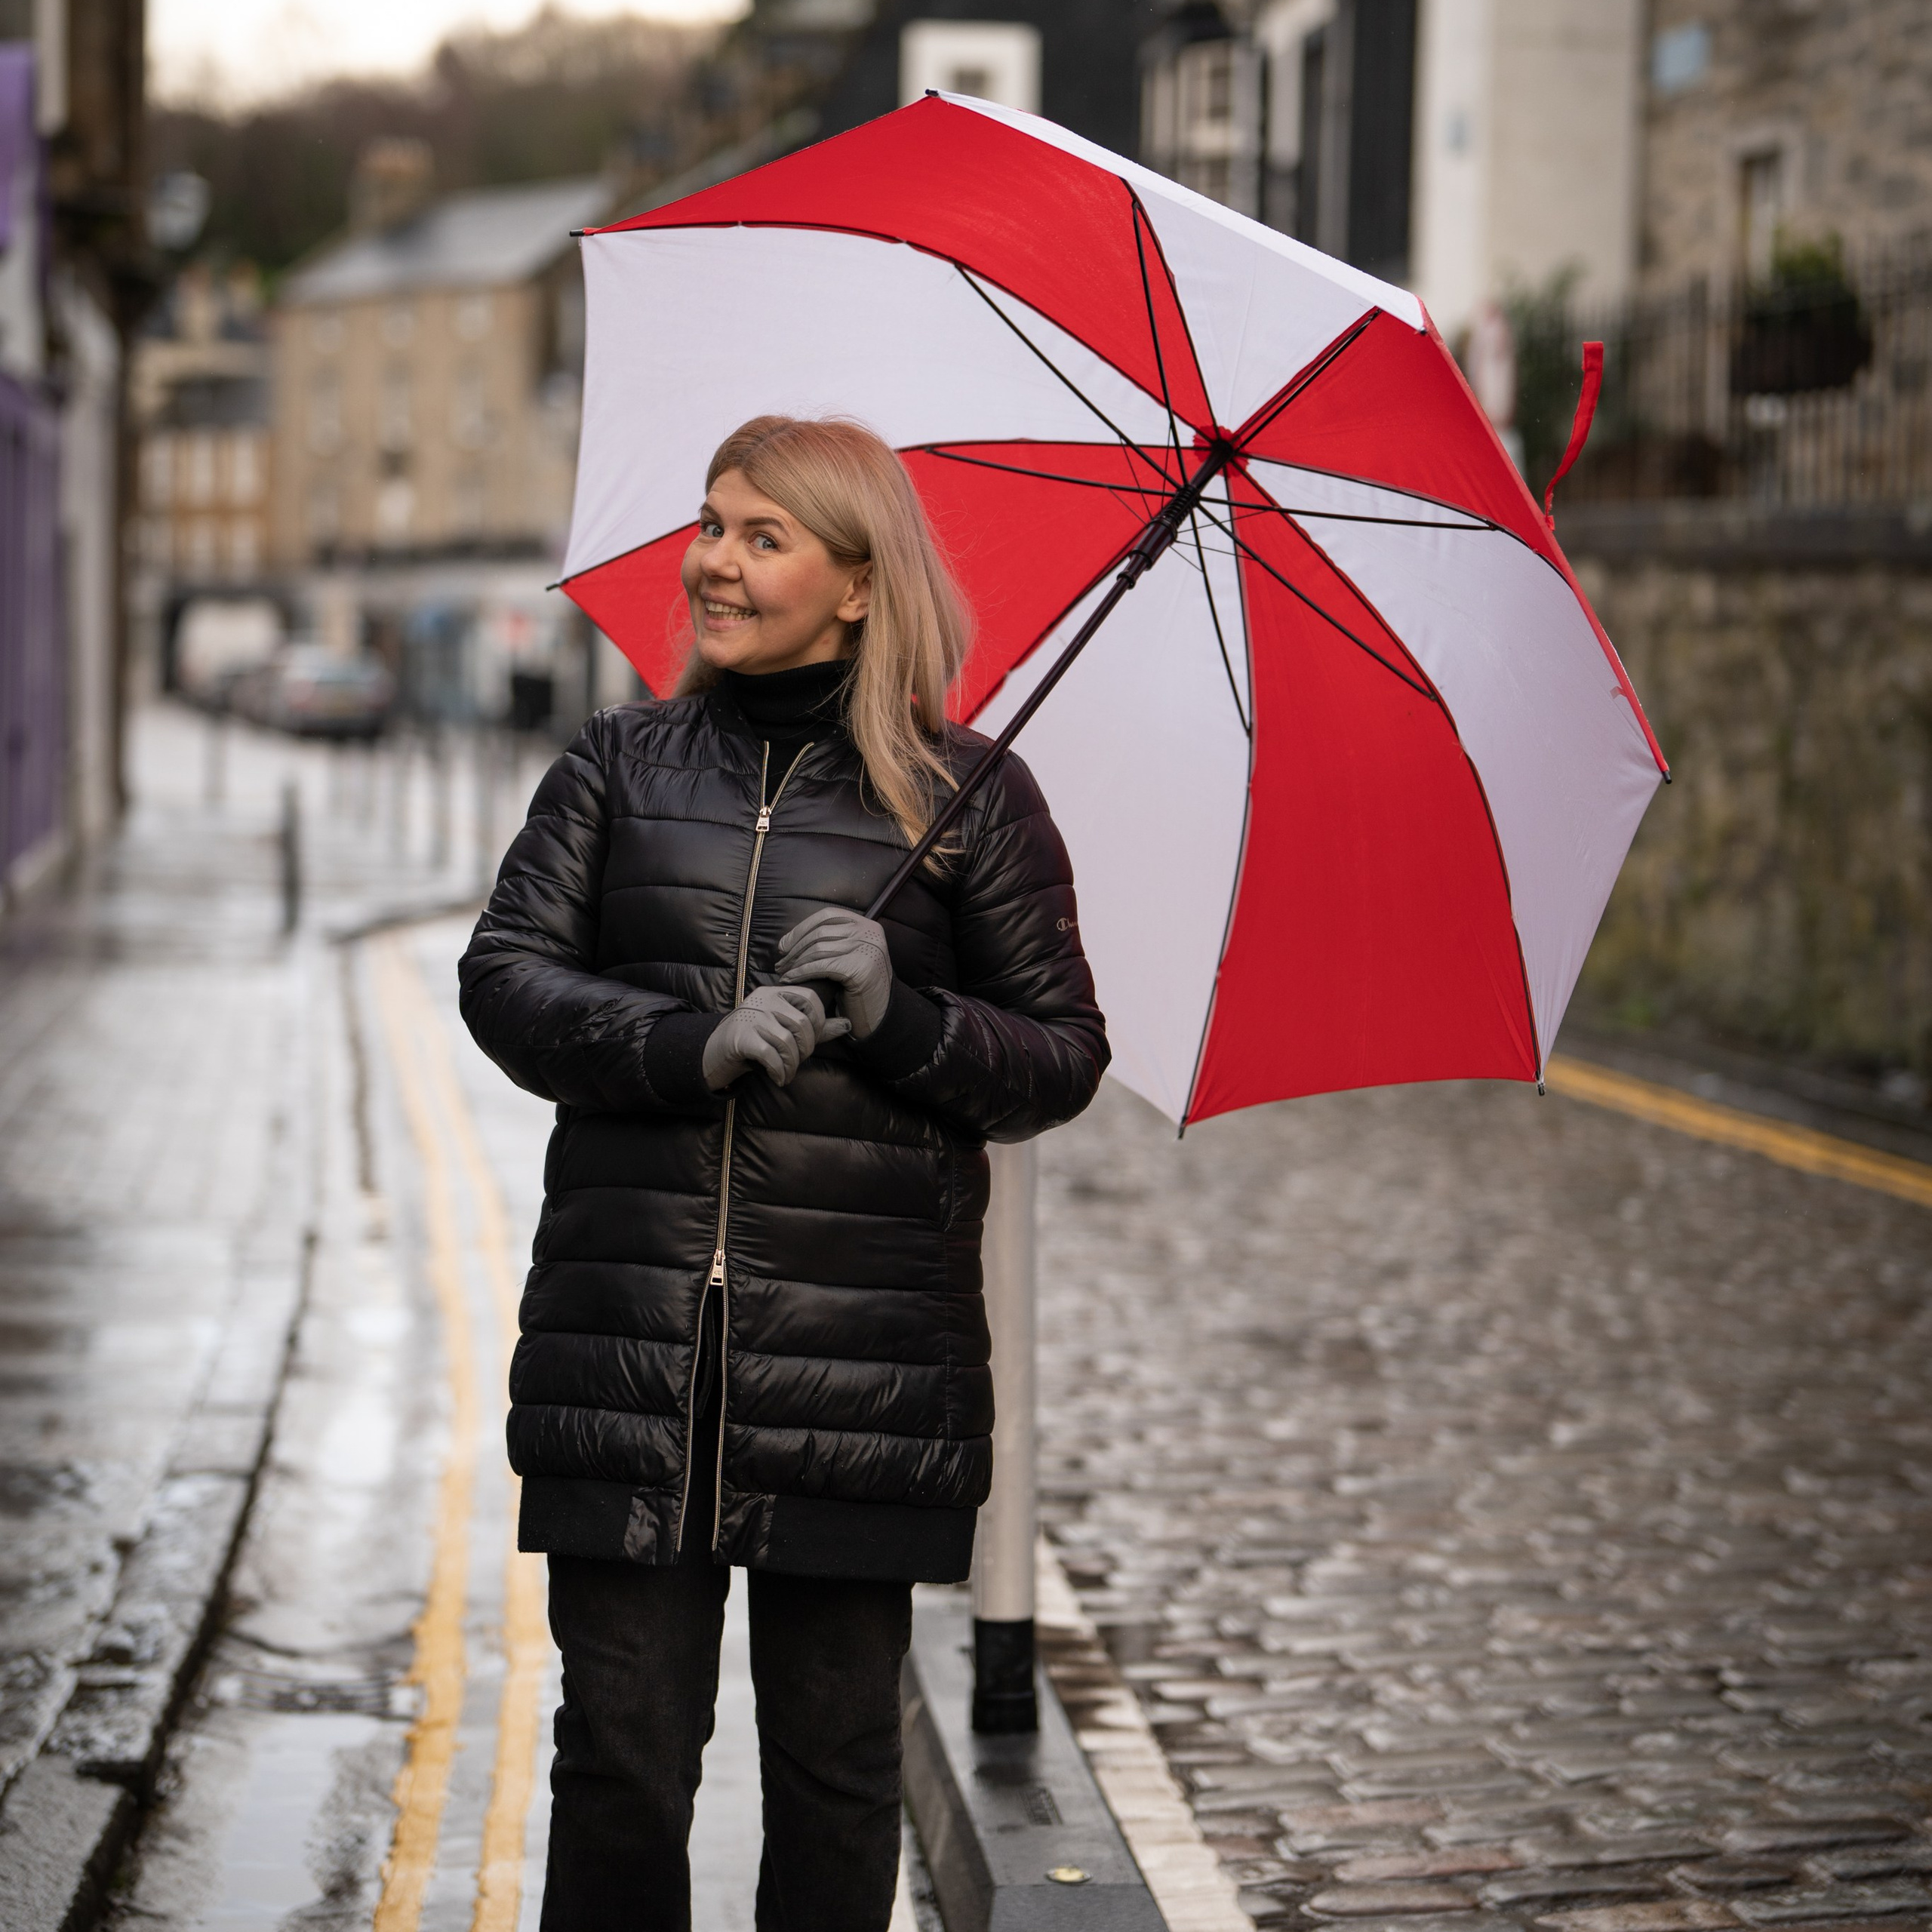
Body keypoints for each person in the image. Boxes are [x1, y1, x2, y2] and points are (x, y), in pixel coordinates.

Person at [458, 414, 1109, 1930]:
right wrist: (685, 1040)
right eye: (708, 524)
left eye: (760, 535)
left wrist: (903, 1016)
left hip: (856, 1370)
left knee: (831, 1770)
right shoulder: (615, 768)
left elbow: (1059, 1054)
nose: (712, 562)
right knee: (618, 1761)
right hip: (628, 1364)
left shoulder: (966, 803)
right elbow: (504, 979)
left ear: (861, 583)